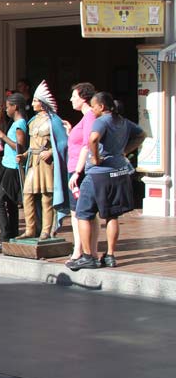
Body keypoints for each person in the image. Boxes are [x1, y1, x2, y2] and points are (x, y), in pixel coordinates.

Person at [66, 92, 145, 270]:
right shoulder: (123, 121)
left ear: (101, 107)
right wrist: (123, 151)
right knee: (112, 215)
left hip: (98, 174)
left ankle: (88, 257)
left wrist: (95, 158)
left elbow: (93, 139)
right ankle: (110, 255)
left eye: (94, 106)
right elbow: (141, 135)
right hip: (118, 172)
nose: (92, 110)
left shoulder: (101, 121)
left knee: (83, 214)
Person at [17, 82, 68, 240]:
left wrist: (51, 152)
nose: (32, 104)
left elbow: (64, 142)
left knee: (47, 197)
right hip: (33, 162)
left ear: (43, 103)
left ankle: (46, 230)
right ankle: (30, 229)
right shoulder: (32, 121)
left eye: (35, 101)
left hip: (46, 164)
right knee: (28, 195)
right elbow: (32, 145)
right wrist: (24, 155)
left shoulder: (54, 121)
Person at [0, 94, 28, 253]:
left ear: (15, 107)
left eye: (8, 106)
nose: (6, 109)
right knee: (10, 203)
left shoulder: (20, 124)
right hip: (7, 165)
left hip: (13, 168)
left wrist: (2, 136)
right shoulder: (16, 123)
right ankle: (12, 235)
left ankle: (4, 238)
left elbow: (20, 147)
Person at [64, 83, 98, 262]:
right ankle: (87, 250)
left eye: (74, 96)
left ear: (83, 98)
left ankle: (81, 250)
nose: (71, 99)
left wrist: (78, 172)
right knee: (82, 212)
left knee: (79, 212)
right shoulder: (85, 118)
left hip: (80, 169)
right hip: (76, 167)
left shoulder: (90, 116)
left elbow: (87, 145)